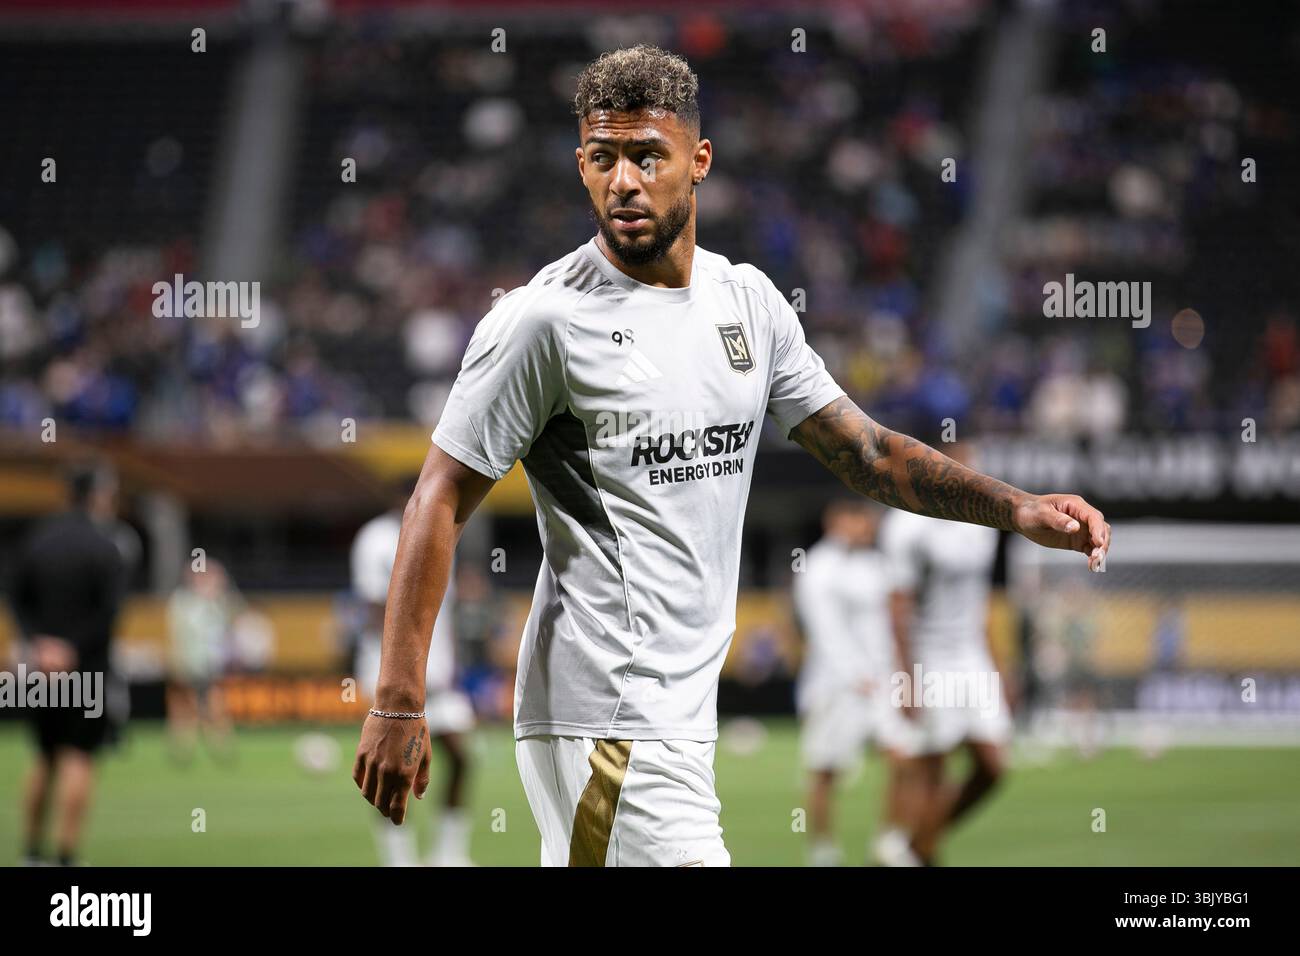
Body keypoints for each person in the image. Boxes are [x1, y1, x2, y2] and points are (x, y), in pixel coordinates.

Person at [353, 45, 1110, 867]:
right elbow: (438, 496)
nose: (624, 181)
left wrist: (1016, 509)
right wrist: (397, 699)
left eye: (649, 156)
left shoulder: (747, 303)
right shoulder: (543, 322)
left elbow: (868, 452)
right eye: (603, 158)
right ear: (581, 165)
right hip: (606, 710)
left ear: (699, 160)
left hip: (681, 715)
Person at [878, 439, 1011, 865]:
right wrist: (907, 678)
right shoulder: (908, 525)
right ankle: (920, 851)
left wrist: (1000, 666)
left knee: (992, 767)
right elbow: (897, 609)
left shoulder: (982, 522)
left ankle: (913, 848)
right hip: (929, 654)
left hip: (970, 653)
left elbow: (981, 604)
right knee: (933, 764)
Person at [352, 476, 474, 866]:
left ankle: (448, 854)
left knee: (460, 756)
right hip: (392, 673)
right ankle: (399, 859)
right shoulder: (376, 539)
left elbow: (445, 608)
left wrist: (450, 663)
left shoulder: (438, 529)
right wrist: (395, 674)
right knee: (393, 767)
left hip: (440, 674)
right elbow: (374, 609)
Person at [10, 461, 125, 866]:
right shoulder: (105, 546)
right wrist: (71, 648)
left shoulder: (38, 540)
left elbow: (16, 597)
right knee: (78, 757)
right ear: (98, 495)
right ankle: (65, 856)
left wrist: (40, 643)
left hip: (39, 668)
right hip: (86, 670)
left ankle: (30, 852)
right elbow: (109, 613)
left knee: (44, 756)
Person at [794, 499, 912, 867]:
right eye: (859, 518)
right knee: (825, 769)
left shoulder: (877, 564)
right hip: (836, 685)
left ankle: (890, 842)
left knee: (903, 757)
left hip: (882, 681)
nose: (867, 526)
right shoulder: (818, 566)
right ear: (837, 519)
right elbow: (823, 629)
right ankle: (823, 850)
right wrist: (852, 674)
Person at [165, 558, 241, 763]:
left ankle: (221, 748)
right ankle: (182, 750)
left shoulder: (219, 602)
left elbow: (232, 617)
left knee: (215, 707)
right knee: (186, 709)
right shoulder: (182, 601)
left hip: (211, 664)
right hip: (189, 662)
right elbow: (178, 633)